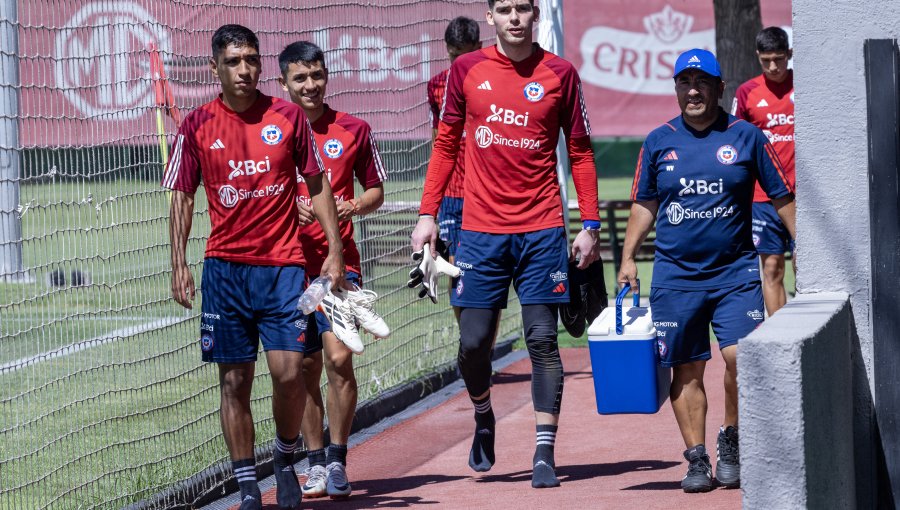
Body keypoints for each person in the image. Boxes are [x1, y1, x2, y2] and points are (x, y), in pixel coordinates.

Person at [410, 0, 602, 489]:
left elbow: (579, 150)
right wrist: (427, 215)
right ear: (490, 17)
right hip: (479, 231)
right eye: (504, 9)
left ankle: (543, 451)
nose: (514, 17)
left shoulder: (561, 73)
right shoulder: (466, 70)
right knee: (474, 344)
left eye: (522, 8)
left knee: (542, 339)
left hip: (541, 230)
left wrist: (591, 224)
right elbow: (446, 143)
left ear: (535, 14)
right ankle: (483, 414)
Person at [163, 25, 344, 510]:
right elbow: (182, 194)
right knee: (234, 382)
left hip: (283, 268)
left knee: (290, 374)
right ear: (215, 69)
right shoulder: (197, 125)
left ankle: (284, 457)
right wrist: (178, 261)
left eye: (251, 60)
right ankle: (247, 485)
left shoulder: (286, 117)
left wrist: (334, 250)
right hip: (224, 272)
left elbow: (317, 183)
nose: (244, 69)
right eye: (234, 61)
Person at [618, 48, 796, 493]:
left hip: (735, 273)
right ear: (676, 88)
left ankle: (730, 439)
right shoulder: (659, 141)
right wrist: (627, 259)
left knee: (742, 360)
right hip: (676, 277)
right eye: (685, 82)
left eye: (702, 83)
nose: (693, 91)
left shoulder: (747, 136)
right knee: (686, 369)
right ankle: (696, 459)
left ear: (720, 89)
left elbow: (782, 196)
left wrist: (805, 244)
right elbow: (645, 203)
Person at [277, 41, 389, 500]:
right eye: (300, 78)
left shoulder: (354, 129)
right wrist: (291, 206)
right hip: (286, 268)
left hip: (338, 266)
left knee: (340, 360)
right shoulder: (271, 130)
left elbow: (376, 190)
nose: (310, 86)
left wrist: (353, 206)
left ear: (327, 76)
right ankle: (316, 462)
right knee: (303, 369)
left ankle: (339, 459)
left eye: (317, 76)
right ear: (284, 82)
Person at [732, 26, 796, 316]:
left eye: (779, 59)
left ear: (790, 55)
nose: (773, 66)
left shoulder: (804, 86)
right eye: (766, 60)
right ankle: (782, 337)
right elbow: (736, 140)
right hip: (763, 198)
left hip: (800, 198)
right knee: (771, 267)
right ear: (758, 56)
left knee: (805, 266)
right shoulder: (746, 92)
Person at [426, 16, 482, 311]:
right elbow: (438, 143)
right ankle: (469, 344)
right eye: (454, 57)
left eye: (467, 56)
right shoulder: (437, 85)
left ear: (480, 47)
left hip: (485, 193)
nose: (460, 64)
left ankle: (479, 347)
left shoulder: (492, 82)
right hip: (452, 196)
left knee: (481, 274)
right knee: (457, 268)